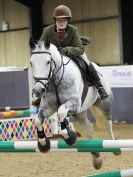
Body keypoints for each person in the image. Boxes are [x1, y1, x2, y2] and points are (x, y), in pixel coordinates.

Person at [32, 5, 108, 107]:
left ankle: (99, 87)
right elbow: (41, 46)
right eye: (59, 20)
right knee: (43, 68)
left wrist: (66, 50)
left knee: (87, 63)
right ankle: (39, 96)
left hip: (73, 52)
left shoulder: (73, 30)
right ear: (55, 20)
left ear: (68, 20)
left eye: (64, 20)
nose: (62, 22)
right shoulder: (47, 30)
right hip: (55, 56)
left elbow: (80, 48)